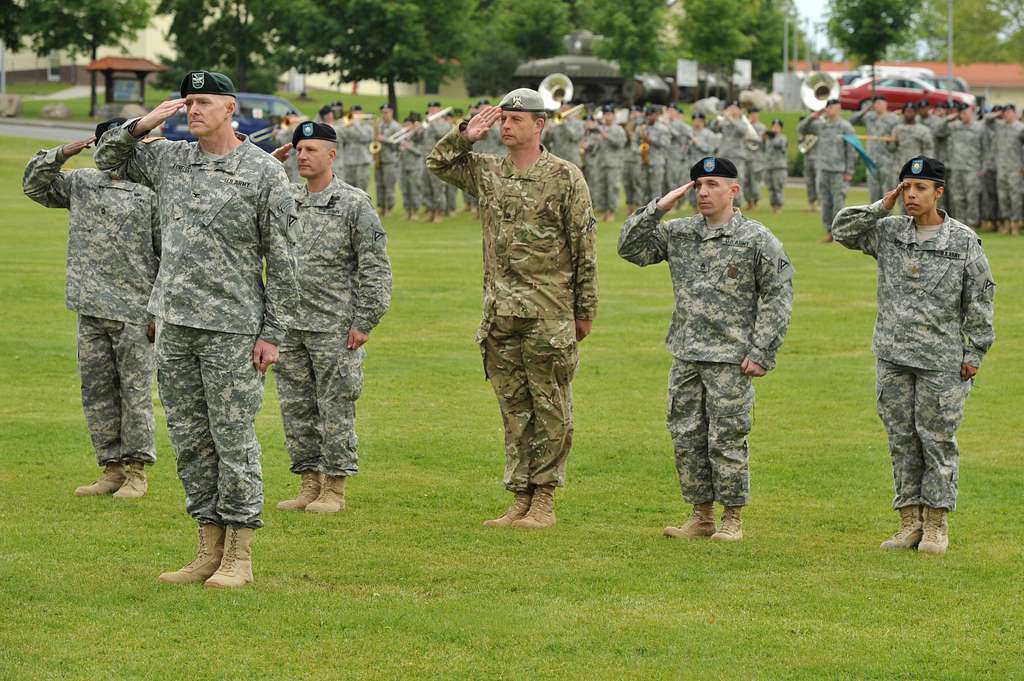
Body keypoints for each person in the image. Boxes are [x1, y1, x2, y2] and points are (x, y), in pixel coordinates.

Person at [94, 70, 298, 588]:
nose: (192, 110)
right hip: (175, 324)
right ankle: (207, 547)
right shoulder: (170, 159)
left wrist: (272, 332)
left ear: (231, 108)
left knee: (233, 439)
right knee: (189, 440)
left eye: (203, 102)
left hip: (233, 327)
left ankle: (239, 555)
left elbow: (283, 258)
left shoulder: (262, 172)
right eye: (187, 102)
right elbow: (106, 157)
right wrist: (142, 123)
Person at [426, 88, 598, 529]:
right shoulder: (488, 172)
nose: (505, 126)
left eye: (515, 120)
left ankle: (544, 498)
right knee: (514, 408)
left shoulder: (564, 177)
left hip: (548, 311)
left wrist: (584, 310)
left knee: (551, 406)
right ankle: (519, 495)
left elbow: (584, 247)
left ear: (539, 126)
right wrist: (466, 134)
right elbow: (438, 163)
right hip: (501, 314)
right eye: (502, 120)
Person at [617, 156, 793, 541]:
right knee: (686, 436)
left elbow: (779, 297)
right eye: (698, 185)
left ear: (734, 190)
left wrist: (762, 351)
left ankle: (732, 517)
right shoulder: (679, 232)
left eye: (713, 184)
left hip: (731, 358)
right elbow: (629, 248)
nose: (703, 192)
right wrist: (658, 208)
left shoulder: (757, 238)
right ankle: (701, 515)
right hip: (686, 353)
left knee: (727, 437)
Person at [832, 157, 995, 554]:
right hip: (893, 355)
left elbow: (981, 299)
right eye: (905, 187)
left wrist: (974, 352)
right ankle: (909, 522)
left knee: (937, 440)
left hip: (941, 360)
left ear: (939, 192)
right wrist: (880, 205)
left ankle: (937, 524)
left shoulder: (962, 240)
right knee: (901, 440)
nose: (911, 195)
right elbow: (841, 230)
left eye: (920, 188)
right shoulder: (888, 232)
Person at [23, 118, 160, 499]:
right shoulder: (82, 182)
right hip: (89, 306)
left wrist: (156, 312)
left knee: (134, 394)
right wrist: (64, 151)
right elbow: (34, 184)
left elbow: (168, 254)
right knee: (97, 392)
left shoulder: (150, 189)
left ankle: (136, 472)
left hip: (135, 310)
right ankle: (110, 468)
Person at [269, 121, 392, 514]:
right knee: (297, 407)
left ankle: (335, 487)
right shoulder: (286, 198)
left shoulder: (354, 203)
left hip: (334, 325)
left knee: (335, 406)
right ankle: (309, 483)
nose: (302, 156)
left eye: (311, 150)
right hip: (289, 325)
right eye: (298, 150)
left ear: (331, 155)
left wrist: (365, 320)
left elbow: (375, 267)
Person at [798, 99, 856, 242]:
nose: (829, 110)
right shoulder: (820, 125)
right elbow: (801, 129)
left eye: (832, 107)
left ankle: (840, 234)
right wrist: (813, 116)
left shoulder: (845, 127)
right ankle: (829, 232)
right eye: (827, 107)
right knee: (825, 202)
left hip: (838, 171)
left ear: (839, 109)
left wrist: (849, 171)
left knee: (838, 203)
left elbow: (851, 150)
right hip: (822, 169)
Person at [933, 104, 985, 229]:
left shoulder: (979, 128)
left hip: (973, 168)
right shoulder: (954, 126)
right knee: (957, 197)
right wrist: (948, 119)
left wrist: (983, 167)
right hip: (956, 168)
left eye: (966, 112)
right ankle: (960, 224)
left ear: (972, 112)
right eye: (961, 113)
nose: (963, 115)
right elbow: (937, 132)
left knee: (971, 197)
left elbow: (987, 148)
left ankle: (972, 224)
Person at [850, 96, 898, 203]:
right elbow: (851, 120)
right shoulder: (869, 117)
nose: (877, 106)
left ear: (885, 104)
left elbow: (897, 138)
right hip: (871, 160)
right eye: (875, 104)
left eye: (879, 103)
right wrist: (865, 110)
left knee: (887, 194)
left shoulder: (893, 118)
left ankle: (888, 218)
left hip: (887, 159)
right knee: (873, 193)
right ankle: (875, 218)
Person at [985, 104, 1024, 235]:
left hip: (1015, 168)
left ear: (1014, 113)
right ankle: (1006, 223)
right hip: (1001, 168)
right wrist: (998, 114)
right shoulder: (1000, 126)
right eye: (1005, 112)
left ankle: (1015, 224)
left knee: (1015, 197)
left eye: (1009, 112)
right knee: (1003, 197)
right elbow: (986, 120)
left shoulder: (1020, 128)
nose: (1006, 115)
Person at [590, 104, 627, 222]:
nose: (607, 116)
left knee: (612, 188)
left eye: (609, 114)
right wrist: (596, 141)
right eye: (605, 114)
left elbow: (621, 144)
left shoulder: (618, 129)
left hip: (613, 164)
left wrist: (607, 137)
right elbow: (595, 147)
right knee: (601, 187)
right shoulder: (601, 129)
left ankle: (611, 211)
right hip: (601, 163)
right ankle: (604, 210)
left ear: (613, 115)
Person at [639, 105, 671, 204]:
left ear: (656, 115)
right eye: (647, 115)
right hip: (645, 161)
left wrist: (651, 140)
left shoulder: (663, 129)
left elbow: (666, 144)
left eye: (651, 115)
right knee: (644, 188)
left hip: (657, 162)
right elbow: (637, 142)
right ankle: (644, 212)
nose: (649, 117)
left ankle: (655, 211)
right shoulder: (643, 128)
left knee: (655, 188)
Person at [337, 104, 373, 192]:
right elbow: (340, 137)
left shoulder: (367, 127)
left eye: (357, 113)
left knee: (362, 185)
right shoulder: (346, 125)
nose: (355, 116)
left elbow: (364, 138)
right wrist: (345, 125)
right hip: (349, 160)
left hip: (362, 160)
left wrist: (356, 125)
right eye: (353, 113)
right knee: (349, 186)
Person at [374, 103, 402, 216]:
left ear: (391, 113)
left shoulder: (396, 126)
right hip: (379, 158)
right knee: (379, 185)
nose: (384, 115)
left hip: (390, 159)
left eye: (387, 112)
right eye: (383, 112)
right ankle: (381, 207)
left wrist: (383, 139)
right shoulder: (379, 125)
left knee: (389, 185)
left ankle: (389, 208)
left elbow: (398, 142)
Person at [541, 101, 584, 168]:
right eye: (562, 109)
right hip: (557, 160)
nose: (563, 111)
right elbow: (545, 142)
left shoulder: (578, 123)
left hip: (572, 161)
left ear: (570, 110)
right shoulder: (555, 122)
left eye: (565, 109)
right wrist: (548, 132)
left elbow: (575, 137)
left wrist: (565, 123)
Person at [398, 113, 425, 221]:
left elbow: (420, 152)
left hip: (415, 167)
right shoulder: (402, 137)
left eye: (408, 124)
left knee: (414, 190)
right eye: (405, 125)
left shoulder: (418, 136)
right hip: (403, 166)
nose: (406, 127)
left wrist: (409, 147)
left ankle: (415, 211)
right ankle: (407, 211)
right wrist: (399, 148)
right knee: (405, 190)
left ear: (413, 125)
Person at [742, 108, 766, 211]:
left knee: (754, 181)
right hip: (745, 157)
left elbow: (759, 140)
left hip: (756, 158)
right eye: (752, 114)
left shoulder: (761, 127)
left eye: (755, 114)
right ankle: (749, 202)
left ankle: (755, 201)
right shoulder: (744, 126)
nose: (754, 116)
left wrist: (750, 136)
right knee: (746, 181)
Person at [764, 119, 788, 213]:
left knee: (778, 187)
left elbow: (779, 145)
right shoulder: (769, 138)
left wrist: (771, 137)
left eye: (777, 127)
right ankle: (773, 205)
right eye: (774, 126)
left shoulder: (782, 138)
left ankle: (779, 206)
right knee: (771, 188)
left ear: (781, 129)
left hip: (779, 167)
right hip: (769, 166)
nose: (775, 128)